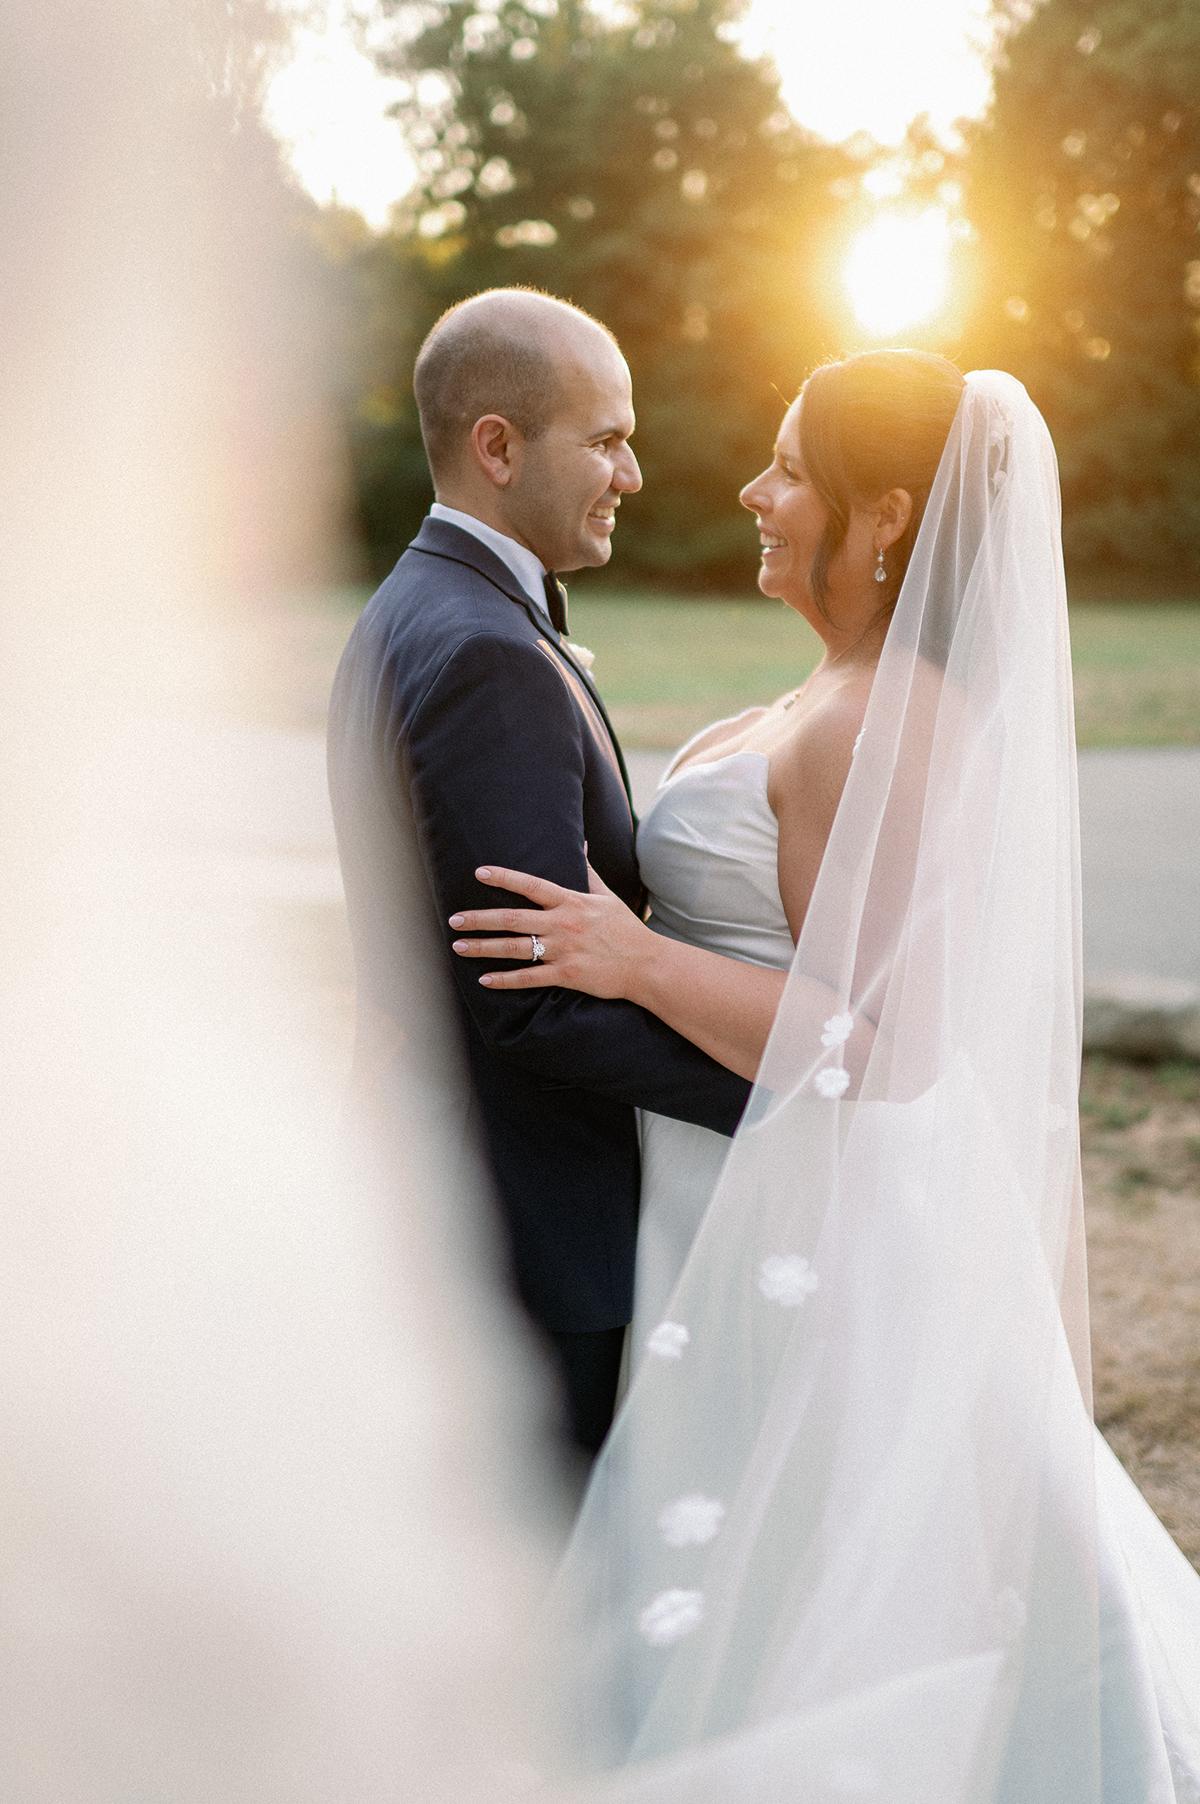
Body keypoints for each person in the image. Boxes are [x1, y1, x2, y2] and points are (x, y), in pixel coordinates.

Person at [449, 353, 1200, 1798]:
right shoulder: (832, 693)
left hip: (834, 1213)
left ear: (887, 514)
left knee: (835, 1553)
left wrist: (635, 961)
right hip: (733, 1177)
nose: (752, 490)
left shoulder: (888, 719)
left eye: (788, 466)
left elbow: (889, 1043)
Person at [326, 288, 750, 1468]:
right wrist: (774, 1099)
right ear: (497, 447)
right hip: (533, 1231)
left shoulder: (414, 609)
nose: (634, 472)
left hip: (470, 1194)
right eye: (606, 439)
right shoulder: (483, 654)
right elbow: (534, 1000)